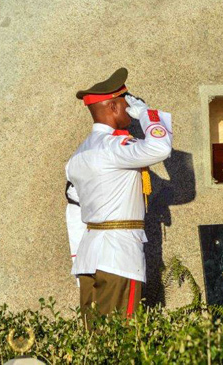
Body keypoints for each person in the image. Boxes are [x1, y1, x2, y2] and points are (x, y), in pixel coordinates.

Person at [65, 67, 172, 321]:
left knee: (94, 340)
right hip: (119, 257)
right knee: (122, 339)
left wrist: (76, 258)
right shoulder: (116, 147)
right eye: (126, 104)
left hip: (89, 257)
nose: (130, 112)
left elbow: (74, 211)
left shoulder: (78, 156)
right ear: (113, 108)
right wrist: (148, 114)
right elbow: (160, 146)